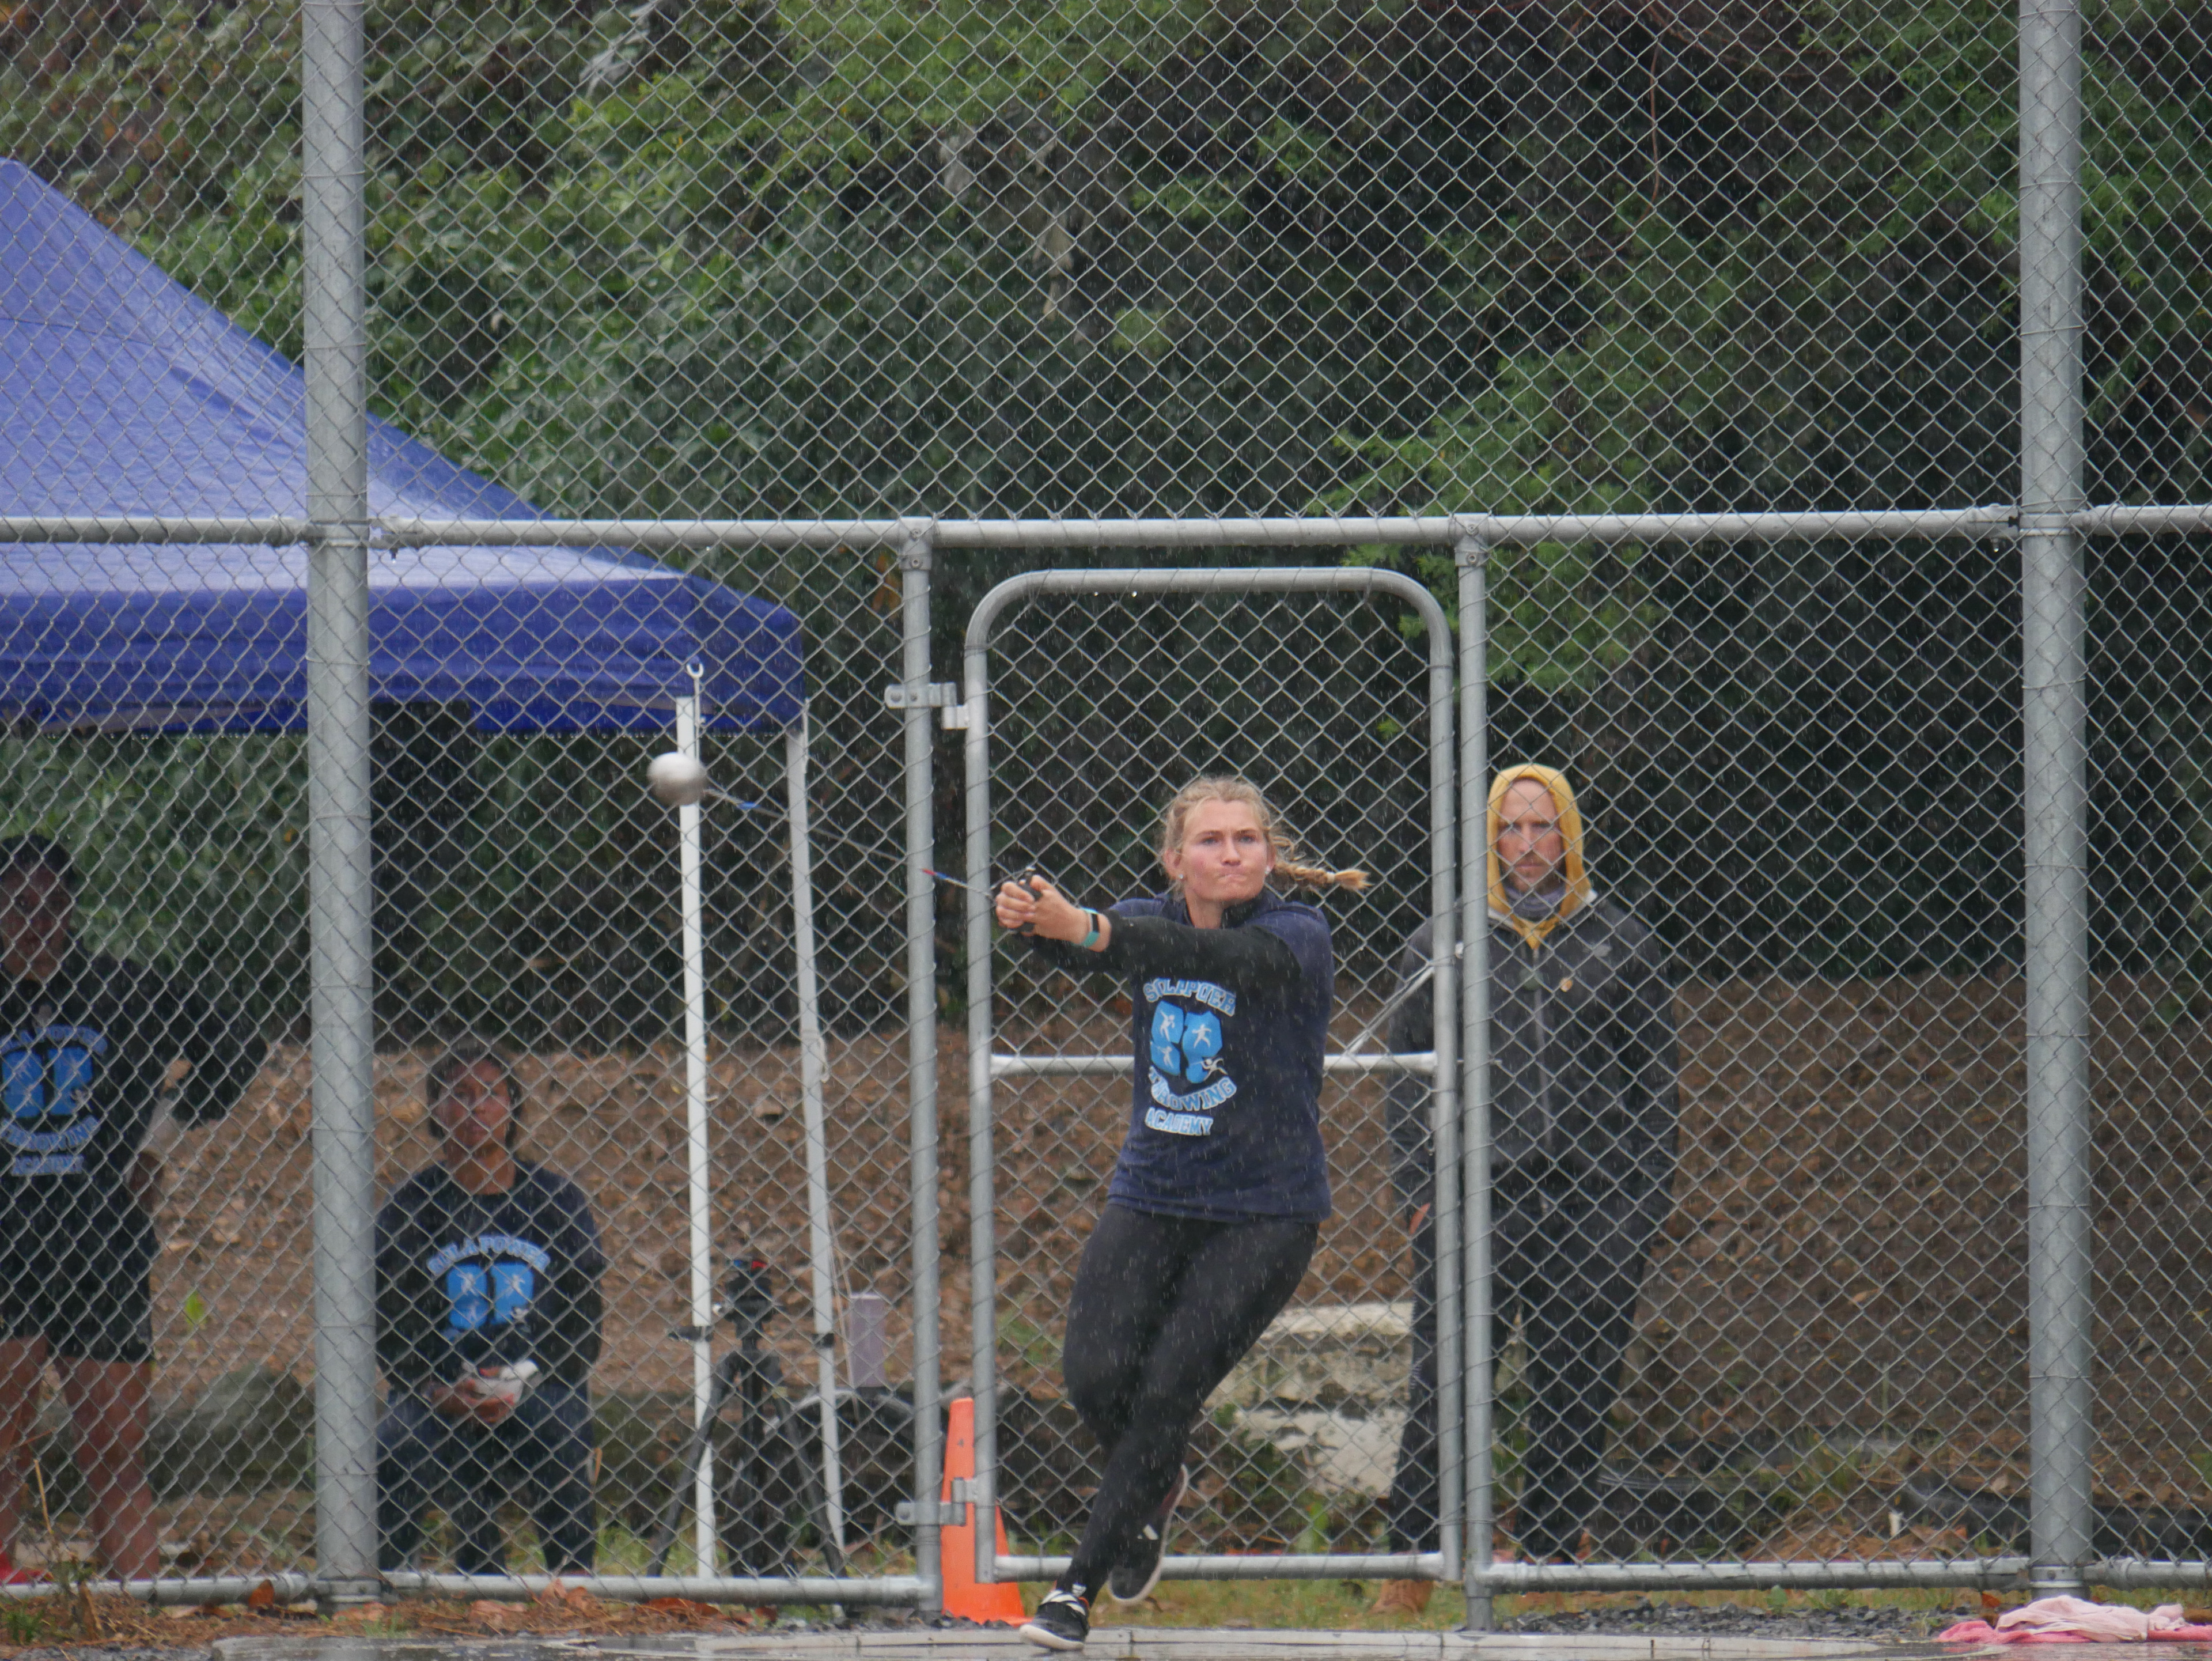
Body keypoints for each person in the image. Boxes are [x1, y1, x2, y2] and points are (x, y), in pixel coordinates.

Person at [992, 777, 1366, 1652]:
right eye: (1210, 840)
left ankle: (1074, 1589)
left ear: (1270, 853)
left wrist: (1093, 928)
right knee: (1093, 1376)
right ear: (1174, 859)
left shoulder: (1297, 932)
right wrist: (1033, 918)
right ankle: (1154, 1487)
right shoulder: (1141, 917)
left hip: (1264, 1211)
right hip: (1154, 1192)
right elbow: (1085, 951)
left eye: (1247, 839)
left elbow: (1215, 960)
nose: (1231, 854)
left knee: (1166, 1389)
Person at [1372, 764, 1679, 1612]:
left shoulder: (1621, 941)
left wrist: (1641, 1207)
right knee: (1445, 1385)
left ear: (1570, 834)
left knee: (1576, 1389)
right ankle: (1412, 1564)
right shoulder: (1443, 943)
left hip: (1594, 1204)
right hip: (1477, 1200)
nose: (1529, 844)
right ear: (1488, 838)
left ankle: (1545, 1563)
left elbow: (1656, 1087)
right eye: (1511, 827)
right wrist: (1418, 1191)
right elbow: (1405, 1074)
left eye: (1544, 826)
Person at [0, 833, 267, 1583]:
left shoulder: (123, 988)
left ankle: (136, 1609)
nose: (36, 922)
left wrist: (157, 1138)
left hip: (102, 1240)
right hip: (7, 1240)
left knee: (116, 1453)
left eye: (52, 905)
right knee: (3, 1439)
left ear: (73, 909)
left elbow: (237, 1043)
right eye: (18, 905)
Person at [374, 1036, 606, 1576]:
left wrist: (522, 1378)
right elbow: (392, 1326)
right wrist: (439, 1389)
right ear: (435, 1109)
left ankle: (573, 1583)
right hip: (442, 1387)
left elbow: (582, 1324)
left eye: (490, 1092)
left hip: (537, 1382)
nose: (475, 1107)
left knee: (563, 1426)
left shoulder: (556, 1200)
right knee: (395, 1442)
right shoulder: (410, 1206)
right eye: (458, 1093)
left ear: (513, 1107)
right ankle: (387, 1581)